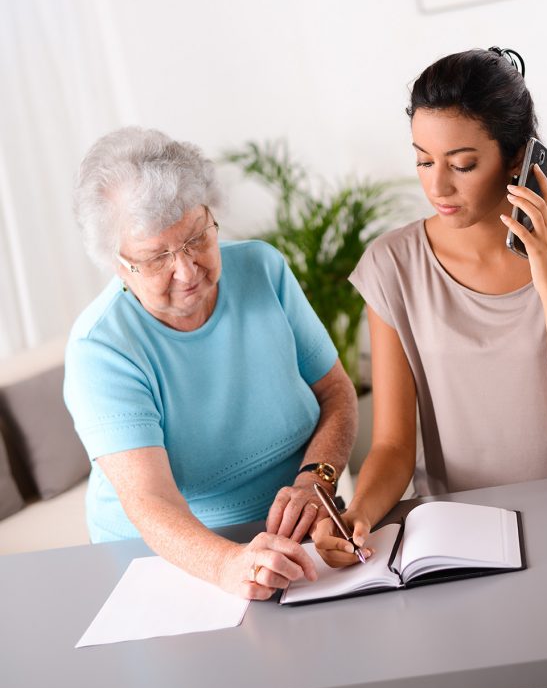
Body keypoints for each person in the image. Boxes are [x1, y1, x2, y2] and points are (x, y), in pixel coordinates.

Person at [314, 48, 547, 688]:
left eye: (461, 164)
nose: (437, 186)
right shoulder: (392, 265)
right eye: (421, 160)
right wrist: (358, 514)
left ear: (519, 158)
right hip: (453, 549)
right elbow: (390, 446)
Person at [64, 127, 358, 601]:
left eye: (197, 237)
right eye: (157, 256)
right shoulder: (101, 346)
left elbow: (337, 392)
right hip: (170, 557)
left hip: (299, 528)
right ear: (119, 264)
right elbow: (149, 499)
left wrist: (315, 480)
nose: (187, 270)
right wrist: (226, 564)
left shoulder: (264, 269)